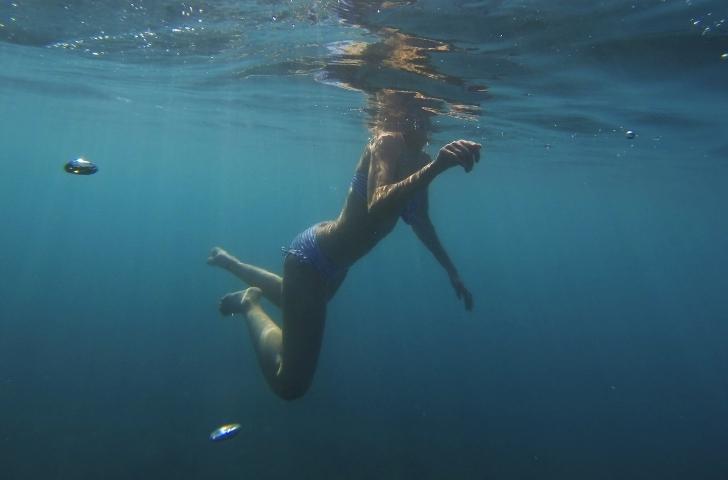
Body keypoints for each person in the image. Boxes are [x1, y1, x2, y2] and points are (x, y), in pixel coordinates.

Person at [208, 90, 481, 400]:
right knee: (291, 385)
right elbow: (378, 203)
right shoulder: (388, 142)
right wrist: (438, 167)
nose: (429, 120)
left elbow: (420, 219)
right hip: (311, 260)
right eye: (422, 113)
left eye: (431, 113)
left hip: (335, 265)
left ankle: (230, 263)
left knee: (295, 300)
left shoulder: (421, 160)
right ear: (406, 115)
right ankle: (249, 304)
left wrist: (451, 271)